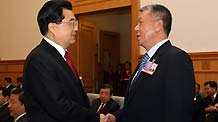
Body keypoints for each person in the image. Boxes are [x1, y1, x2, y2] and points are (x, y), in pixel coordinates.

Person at [106, 4, 195, 122]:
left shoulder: (176, 59)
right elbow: (138, 102)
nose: (135, 28)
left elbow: (179, 112)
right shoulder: (148, 59)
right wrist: (116, 116)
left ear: (158, 25)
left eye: (141, 22)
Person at [22, 1, 105, 122]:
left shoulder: (60, 56)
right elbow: (59, 106)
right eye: (71, 22)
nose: (76, 28)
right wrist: (95, 118)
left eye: (75, 23)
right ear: (53, 27)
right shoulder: (38, 60)